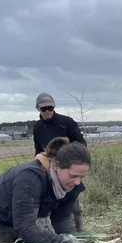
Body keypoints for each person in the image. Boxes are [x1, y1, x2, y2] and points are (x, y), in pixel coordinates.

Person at [32, 93, 88, 232]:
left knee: (72, 201)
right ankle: (58, 233)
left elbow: (81, 144)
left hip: (68, 168)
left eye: (50, 108)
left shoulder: (67, 122)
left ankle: (80, 231)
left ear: (54, 106)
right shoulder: (37, 128)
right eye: (43, 109)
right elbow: (38, 151)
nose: (47, 112)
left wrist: (68, 159)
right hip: (49, 171)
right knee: (52, 203)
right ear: (37, 108)